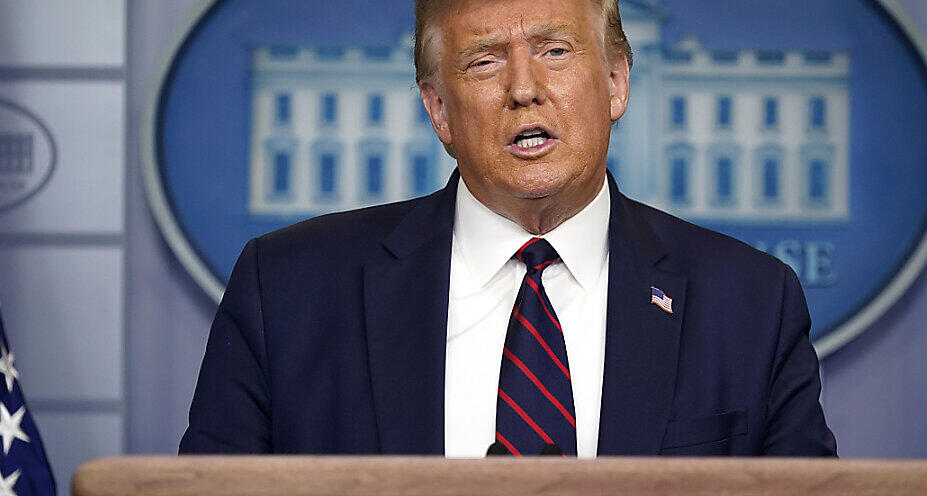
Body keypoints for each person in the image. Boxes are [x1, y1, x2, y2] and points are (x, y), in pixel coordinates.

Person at [179, 0, 837, 458]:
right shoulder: (290, 292)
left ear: (615, 82)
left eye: (554, 51)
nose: (525, 88)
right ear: (438, 109)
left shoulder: (750, 304)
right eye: (485, 63)